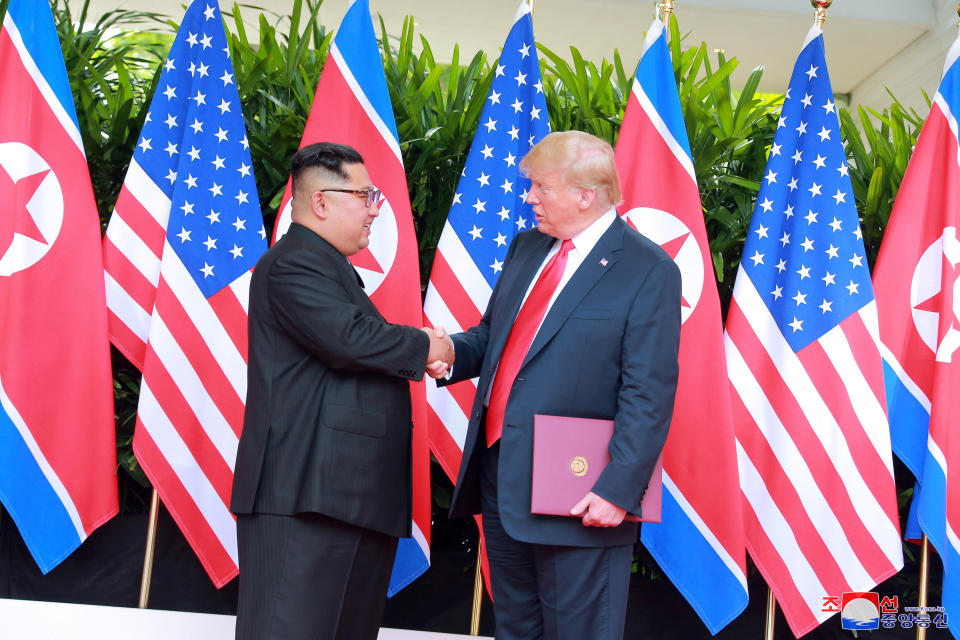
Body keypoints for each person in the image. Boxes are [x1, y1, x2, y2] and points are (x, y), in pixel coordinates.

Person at [434, 131, 682, 640]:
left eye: (541, 187)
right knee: (515, 628)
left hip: (581, 489)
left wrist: (617, 490)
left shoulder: (648, 268)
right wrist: (447, 352)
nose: (529, 198)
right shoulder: (529, 247)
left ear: (586, 194)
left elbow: (648, 392)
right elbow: (496, 336)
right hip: (502, 478)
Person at [231, 142, 454, 640]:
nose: (375, 207)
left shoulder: (329, 266)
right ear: (321, 202)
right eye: (365, 194)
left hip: (344, 496)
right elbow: (349, 338)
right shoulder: (293, 263)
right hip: (306, 495)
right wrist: (425, 343)